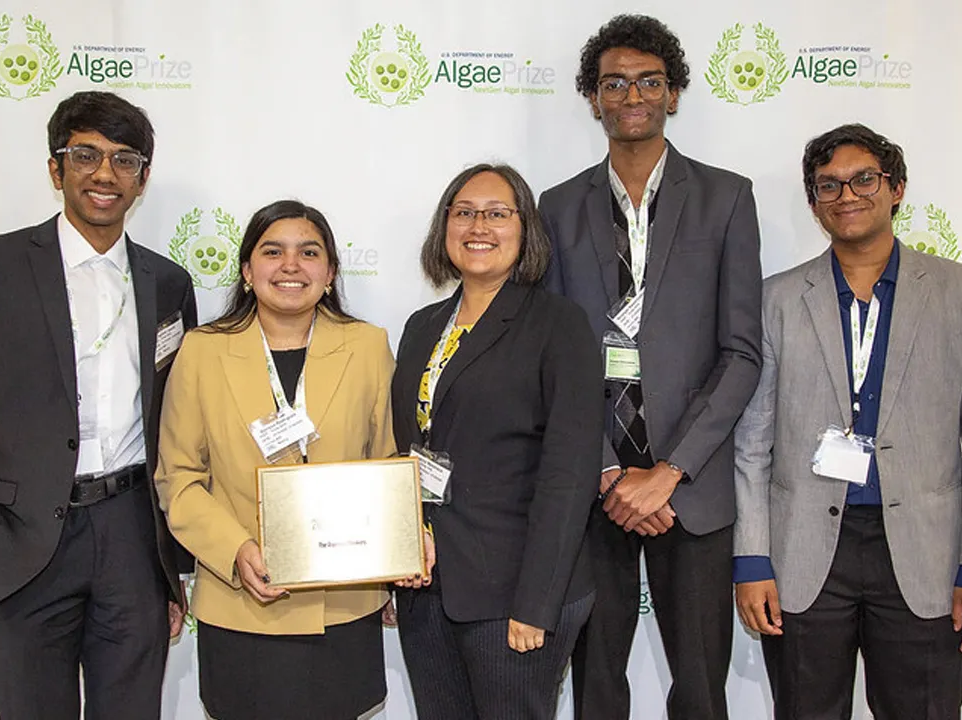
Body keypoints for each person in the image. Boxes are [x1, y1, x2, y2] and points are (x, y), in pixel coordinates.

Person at [0, 90, 196, 719]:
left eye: (124, 160)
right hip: (23, 540)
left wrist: (170, 563)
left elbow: (179, 423)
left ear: (143, 178)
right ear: (55, 167)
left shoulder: (169, 283)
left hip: (133, 539)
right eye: (86, 155)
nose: (104, 174)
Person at [733, 123, 962, 719]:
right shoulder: (775, 300)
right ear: (814, 204)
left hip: (927, 557)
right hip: (803, 556)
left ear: (896, 189)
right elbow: (751, 443)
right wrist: (752, 560)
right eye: (829, 185)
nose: (847, 195)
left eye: (864, 179)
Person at [538, 15, 763, 720]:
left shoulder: (727, 197)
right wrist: (610, 472)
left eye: (648, 81)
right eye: (614, 83)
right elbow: (554, 360)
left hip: (689, 495)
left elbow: (742, 353)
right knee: (596, 691)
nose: (631, 95)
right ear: (593, 98)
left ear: (673, 93)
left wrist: (668, 473)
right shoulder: (557, 207)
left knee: (701, 691)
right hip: (593, 491)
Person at [154, 199, 395, 720]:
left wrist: (395, 552)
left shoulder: (368, 346)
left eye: (309, 252)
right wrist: (235, 550)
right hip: (241, 603)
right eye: (272, 251)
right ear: (246, 270)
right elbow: (179, 477)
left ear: (330, 273)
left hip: (344, 603)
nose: (291, 265)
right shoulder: (201, 351)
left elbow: (389, 462)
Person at [391, 164, 603, 720]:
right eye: (464, 212)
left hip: (515, 590)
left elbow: (570, 472)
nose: (478, 226)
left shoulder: (559, 324)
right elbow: (408, 448)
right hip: (428, 585)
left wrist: (537, 602)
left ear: (524, 228)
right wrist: (403, 542)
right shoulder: (422, 326)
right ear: (444, 227)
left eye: (497, 213)